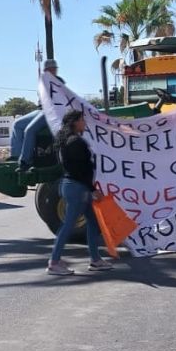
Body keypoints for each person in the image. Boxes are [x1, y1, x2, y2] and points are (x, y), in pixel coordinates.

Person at [47, 109, 113, 275]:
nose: (85, 123)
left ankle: (96, 260)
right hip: (77, 188)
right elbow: (80, 170)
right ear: (75, 122)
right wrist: (93, 189)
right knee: (68, 225)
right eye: (82, 120)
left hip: (74, 186)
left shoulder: (68, 140)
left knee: (93, 222)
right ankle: (54, 262)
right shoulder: (75, 141)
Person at [13, 59, 65, 172]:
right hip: (41, 110)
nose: (51, 71)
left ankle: (26, 161)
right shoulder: (43, 81)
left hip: (52, 111)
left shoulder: (59, 81)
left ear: (55, 70)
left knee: (29, 130)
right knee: (17, 124)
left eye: (53, 69)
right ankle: (16, 157)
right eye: (48, 69)